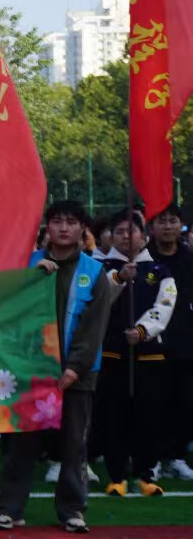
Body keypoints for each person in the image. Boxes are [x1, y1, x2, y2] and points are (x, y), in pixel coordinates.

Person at [0, 201, 123, 533]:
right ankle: (10, 508)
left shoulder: (94, 272)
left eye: (71, 222)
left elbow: (94, 327)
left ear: (83, 229)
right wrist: (31, 279)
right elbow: (6, 311)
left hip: (77, 374)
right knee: (22, 442)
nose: (64, 228)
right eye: (57, 221)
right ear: (47, 228)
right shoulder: (27, 264)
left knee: (74, 444)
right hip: (30, 370)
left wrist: (74, 368)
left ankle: (72, 509)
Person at [94, 210, 177, 498]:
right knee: (113, 415)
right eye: (119, 231)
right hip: (112, 353)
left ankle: (146, 474)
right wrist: (119, 278)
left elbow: (165, 304)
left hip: (149, 354)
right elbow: (96, 300)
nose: (126, 237)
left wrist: (142, 330)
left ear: (144, 237)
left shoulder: (160, 270)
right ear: (110, 237)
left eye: (132, 231)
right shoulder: (100, 267)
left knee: (149, 414)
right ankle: (117, 476)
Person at [145, 204, 193, 482]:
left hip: (185, 343)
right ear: (151, 227)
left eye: (172, 221)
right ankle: (151, 459)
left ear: (180, 225)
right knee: (153, 403)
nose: (167, 226)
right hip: (151, 343)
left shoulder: (189, 259)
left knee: (184, 402)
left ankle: (176, 456)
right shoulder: (143, 259)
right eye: (161, 221)